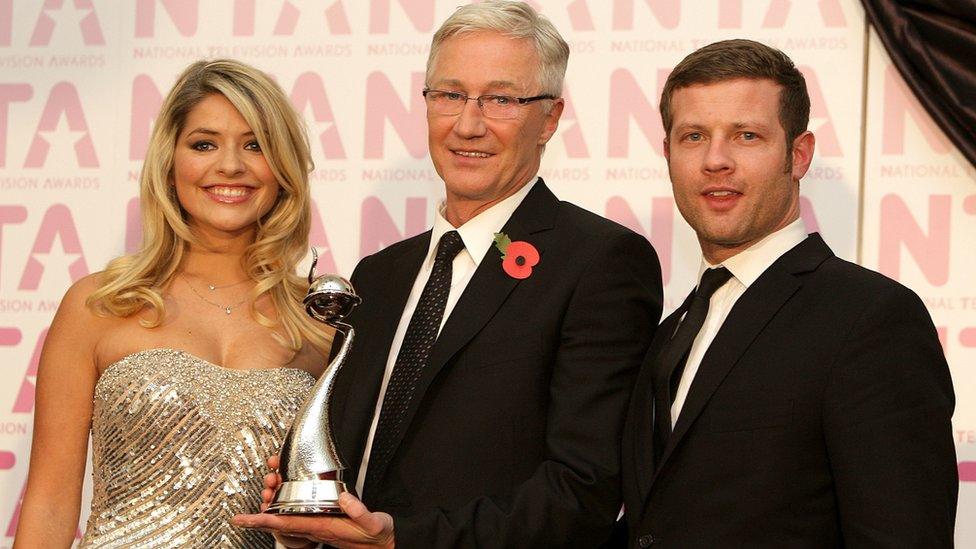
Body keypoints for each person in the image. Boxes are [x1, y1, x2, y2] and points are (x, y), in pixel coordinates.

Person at [232, 2, 663, 547]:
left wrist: (400, 538)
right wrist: (312, 522)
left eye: (501, 99)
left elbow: (583, 489)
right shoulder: (381, 274)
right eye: (450, 95)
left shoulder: (600, 262)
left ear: (550, 118)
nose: (468, 124)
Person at [620, 39, 957, 547]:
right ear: (668, 154)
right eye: (693, 136)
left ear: (798, 155)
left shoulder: (871, 318)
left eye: (747, 136)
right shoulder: (674, 329)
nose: (716, 160)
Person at [14, 59, 330, 548]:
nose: (230, 165)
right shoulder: (98, 305)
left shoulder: (320, 322)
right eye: (204, 144)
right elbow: (51, 501)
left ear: (283, 167)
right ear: (170, 162)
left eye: (256, 145)